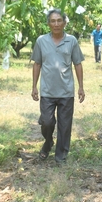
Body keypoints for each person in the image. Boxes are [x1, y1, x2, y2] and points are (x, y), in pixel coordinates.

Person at [31, 9, 85, 164]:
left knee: (65, 125)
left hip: (66, 91)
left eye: (59, 20)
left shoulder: (72, 41)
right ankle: (48, 142)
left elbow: (78, 64)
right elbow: (37, 64)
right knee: (47, 122)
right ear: (48, 23)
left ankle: (61, 156)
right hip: (47, 91)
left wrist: (81, 87)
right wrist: (34, 86)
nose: (56, 24)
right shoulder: (41, 41)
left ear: (64, 23)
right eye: (53, 21)